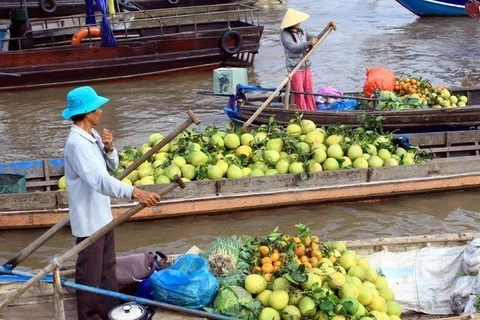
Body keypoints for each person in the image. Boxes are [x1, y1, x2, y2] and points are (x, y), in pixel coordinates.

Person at [61, 86, 161, 320]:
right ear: (87, 113)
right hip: (88, 220)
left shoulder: (92, 136)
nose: (101, 111)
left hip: (102, 215)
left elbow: (111, 168)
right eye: (97, 108)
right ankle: (89, 316)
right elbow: (99, 180)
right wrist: (134, 192)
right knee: (89, 274)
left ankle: (110, 312)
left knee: (107, 271)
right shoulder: (77, 144)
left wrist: (109, 149)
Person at [280, 8, 319, 111]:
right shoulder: (285, 35)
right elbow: (294, 48)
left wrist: (327, 28)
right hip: (295, 67)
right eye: (297, 21)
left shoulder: (302, 32)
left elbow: (315, 37)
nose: (299, 23)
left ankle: (312, 109)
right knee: (299, 91)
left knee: (309, 89)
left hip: (306, 65)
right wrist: (308, 43)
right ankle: (302, 111)